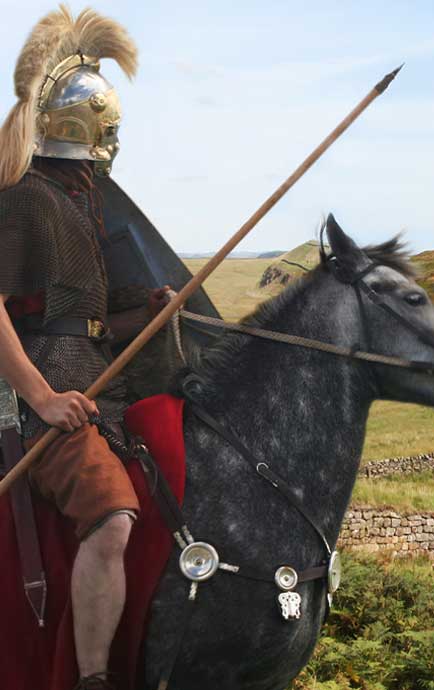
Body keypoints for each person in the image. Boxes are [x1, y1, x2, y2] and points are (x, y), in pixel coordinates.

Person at [0, 8, 169, 690]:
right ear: (85, 129)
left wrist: (145, 317)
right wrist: (41, 396)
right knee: (112, 513)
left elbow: (81, 325)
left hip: (98, 386)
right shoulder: (27, 202)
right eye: (108, 125)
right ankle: (94, 679)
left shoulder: (80, 202)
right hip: (46, 400)